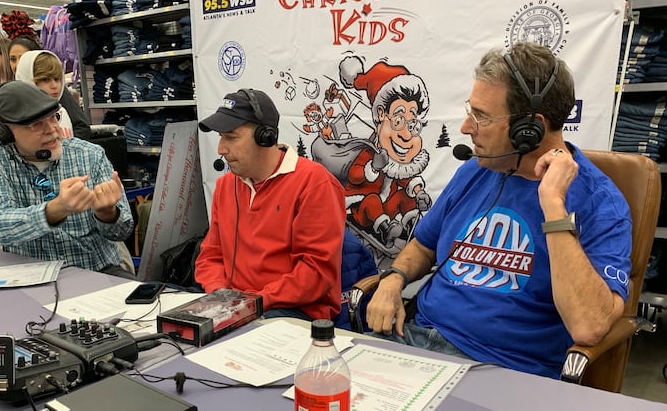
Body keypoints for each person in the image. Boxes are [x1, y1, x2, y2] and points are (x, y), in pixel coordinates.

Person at [365, 42, 632, 379]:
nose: (465, 127)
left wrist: (553, 206)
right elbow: (422, 246)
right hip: (413, 341)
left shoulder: (600, 203)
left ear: (529, 130)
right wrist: (393, 279)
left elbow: (588, 326)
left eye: (482, 116)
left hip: (503, 369)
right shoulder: (477, 170)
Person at [195, 88, 346, 321]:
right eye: (220, 137)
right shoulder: (227, 186)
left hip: (292, 311)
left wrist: (252, 303)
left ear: (266, 137)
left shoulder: (314, 183)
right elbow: (211, 257)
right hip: (236, 307)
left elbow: (315, 274)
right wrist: (218, 295)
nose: (221, 149)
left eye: (231, 137)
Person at [0, 81, 134, 277]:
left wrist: (107, 213)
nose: (52, 129)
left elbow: (123, 231)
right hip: (31, 278)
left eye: (54, 118)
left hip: (96, 270)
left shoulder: (90, 154)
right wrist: (56, 209)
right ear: (6, 132)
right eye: (36, 125)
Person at [9, 35, 91, 140]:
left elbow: (81, 127)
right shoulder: (14, 110)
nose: (17, 64)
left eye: (57, 79)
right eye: (12, 59)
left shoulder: (61, 110)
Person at [15, 50, 76, 138]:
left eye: (57, 79)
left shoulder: (62, 112)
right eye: (45, 80)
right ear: (27, 80)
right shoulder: (19, 119)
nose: (54, 86)